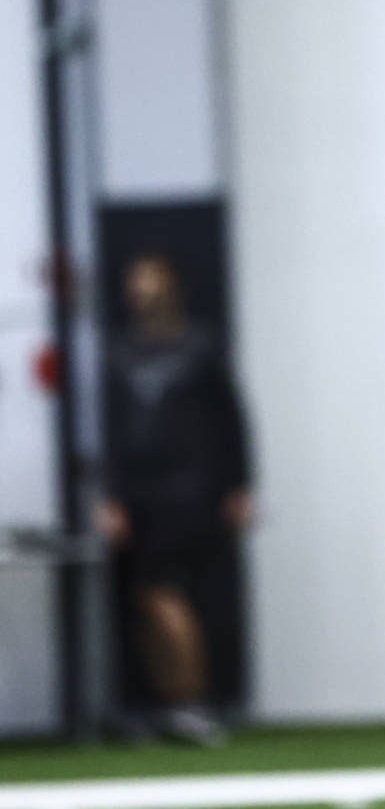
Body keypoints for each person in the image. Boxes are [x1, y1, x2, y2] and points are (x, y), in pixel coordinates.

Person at [95, 251, 254, 746]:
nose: (143, 291)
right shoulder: (120, 353)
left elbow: (232, 420)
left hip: (191, 490)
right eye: (135, 281)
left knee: (166, 593)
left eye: (151, 281)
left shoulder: (199, 348)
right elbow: (113, 431)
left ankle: (193, 701)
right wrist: (111, 496)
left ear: (171, 286)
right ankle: (170, 704)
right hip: (138, 493)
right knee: (144, 599)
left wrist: (239, 485)